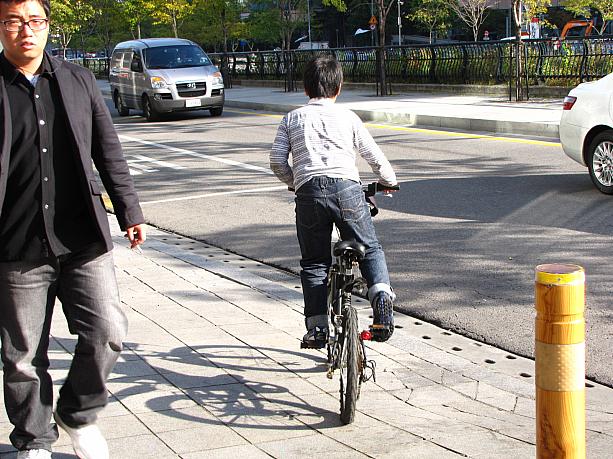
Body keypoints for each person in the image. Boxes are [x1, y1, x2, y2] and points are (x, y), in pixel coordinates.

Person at [0, 0, 145, 457]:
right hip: (16, 242)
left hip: (83, 237)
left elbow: (108, 150)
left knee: (107, 330)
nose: (26, 30)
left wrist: (130, 211)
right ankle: (33, 439)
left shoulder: (77, 79)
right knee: (22, 356)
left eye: (35, 21)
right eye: (13, 21)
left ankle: (77, 414)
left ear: (47, 27)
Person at [270, 56, 398, 349]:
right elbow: (374, 156)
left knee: (314, 262)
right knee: (370, 248)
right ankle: (380, 299)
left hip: (309, 196)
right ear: (338, 87)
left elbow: (277, 161)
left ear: (305, 89)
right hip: (348, 192)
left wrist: (296, 182)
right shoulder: (348, 117)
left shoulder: (291, 118)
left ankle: (316, 328)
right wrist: (389, 180)